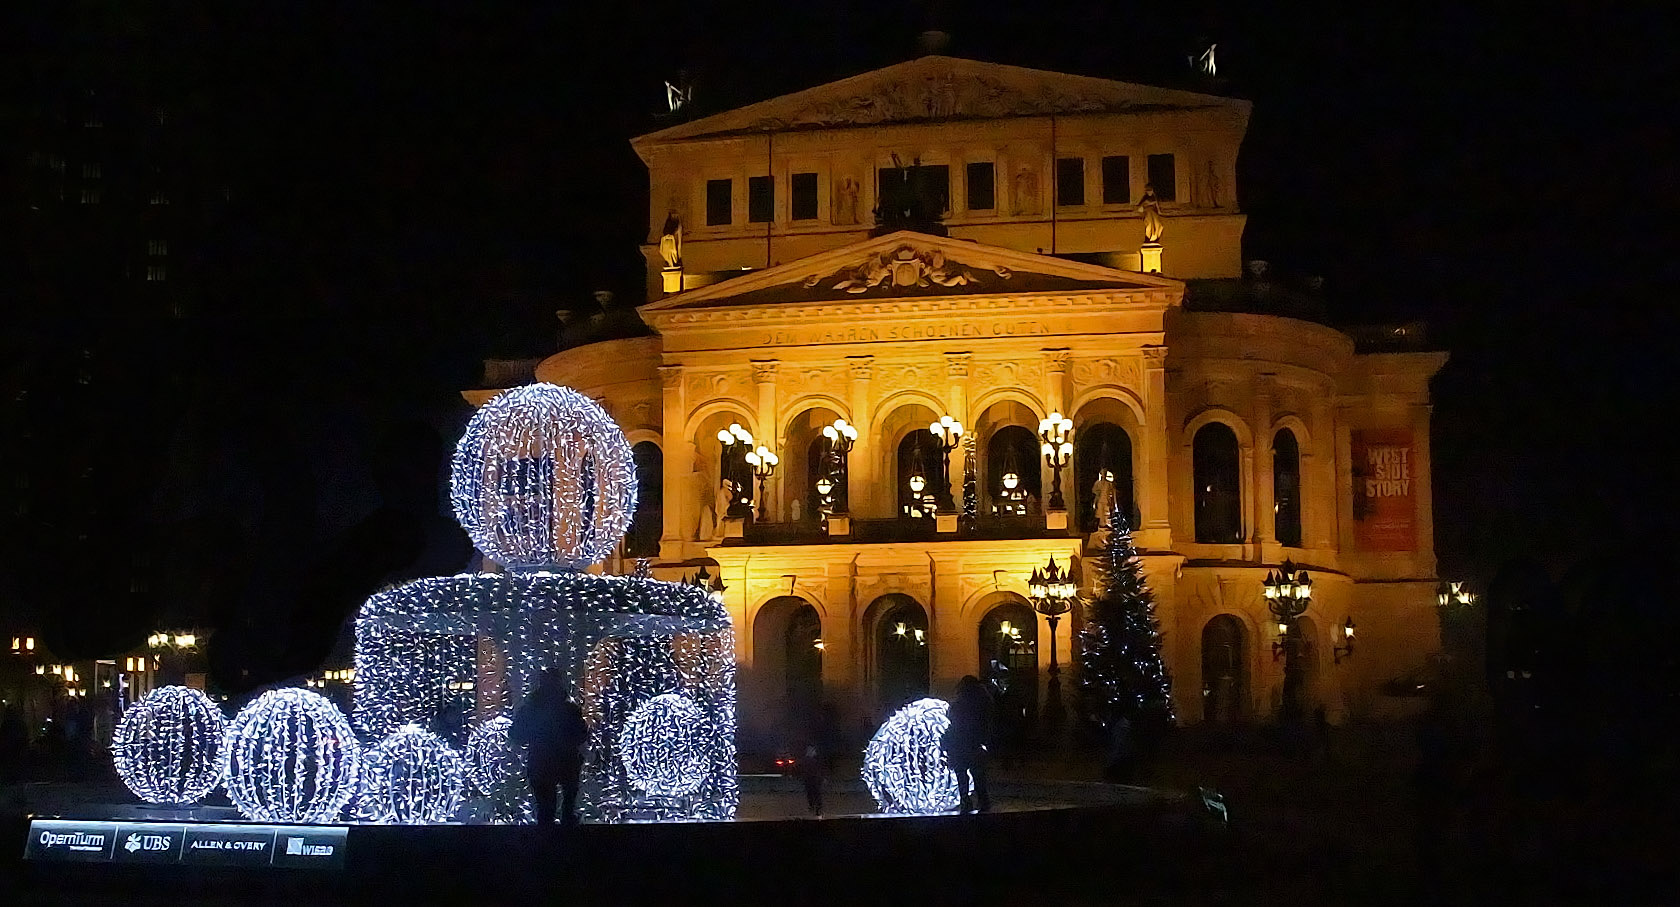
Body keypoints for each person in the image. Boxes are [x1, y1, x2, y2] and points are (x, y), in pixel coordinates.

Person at [510, 668, 589, 826]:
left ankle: (545, 843)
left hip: (541, 761)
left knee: (546, 809)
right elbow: (582, 734)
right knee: (566, 807)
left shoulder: (531, 708)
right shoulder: (569, 708)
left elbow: (516, 734)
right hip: (566, 761)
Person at [943, 675, 995, 813]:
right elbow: (987, 723)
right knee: (978, 774)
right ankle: (983, 801)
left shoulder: (959, 703)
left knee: (962, 774)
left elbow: (952, 720)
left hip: (960, 743)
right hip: (975, 743)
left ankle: (965, 800)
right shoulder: (984, 701)